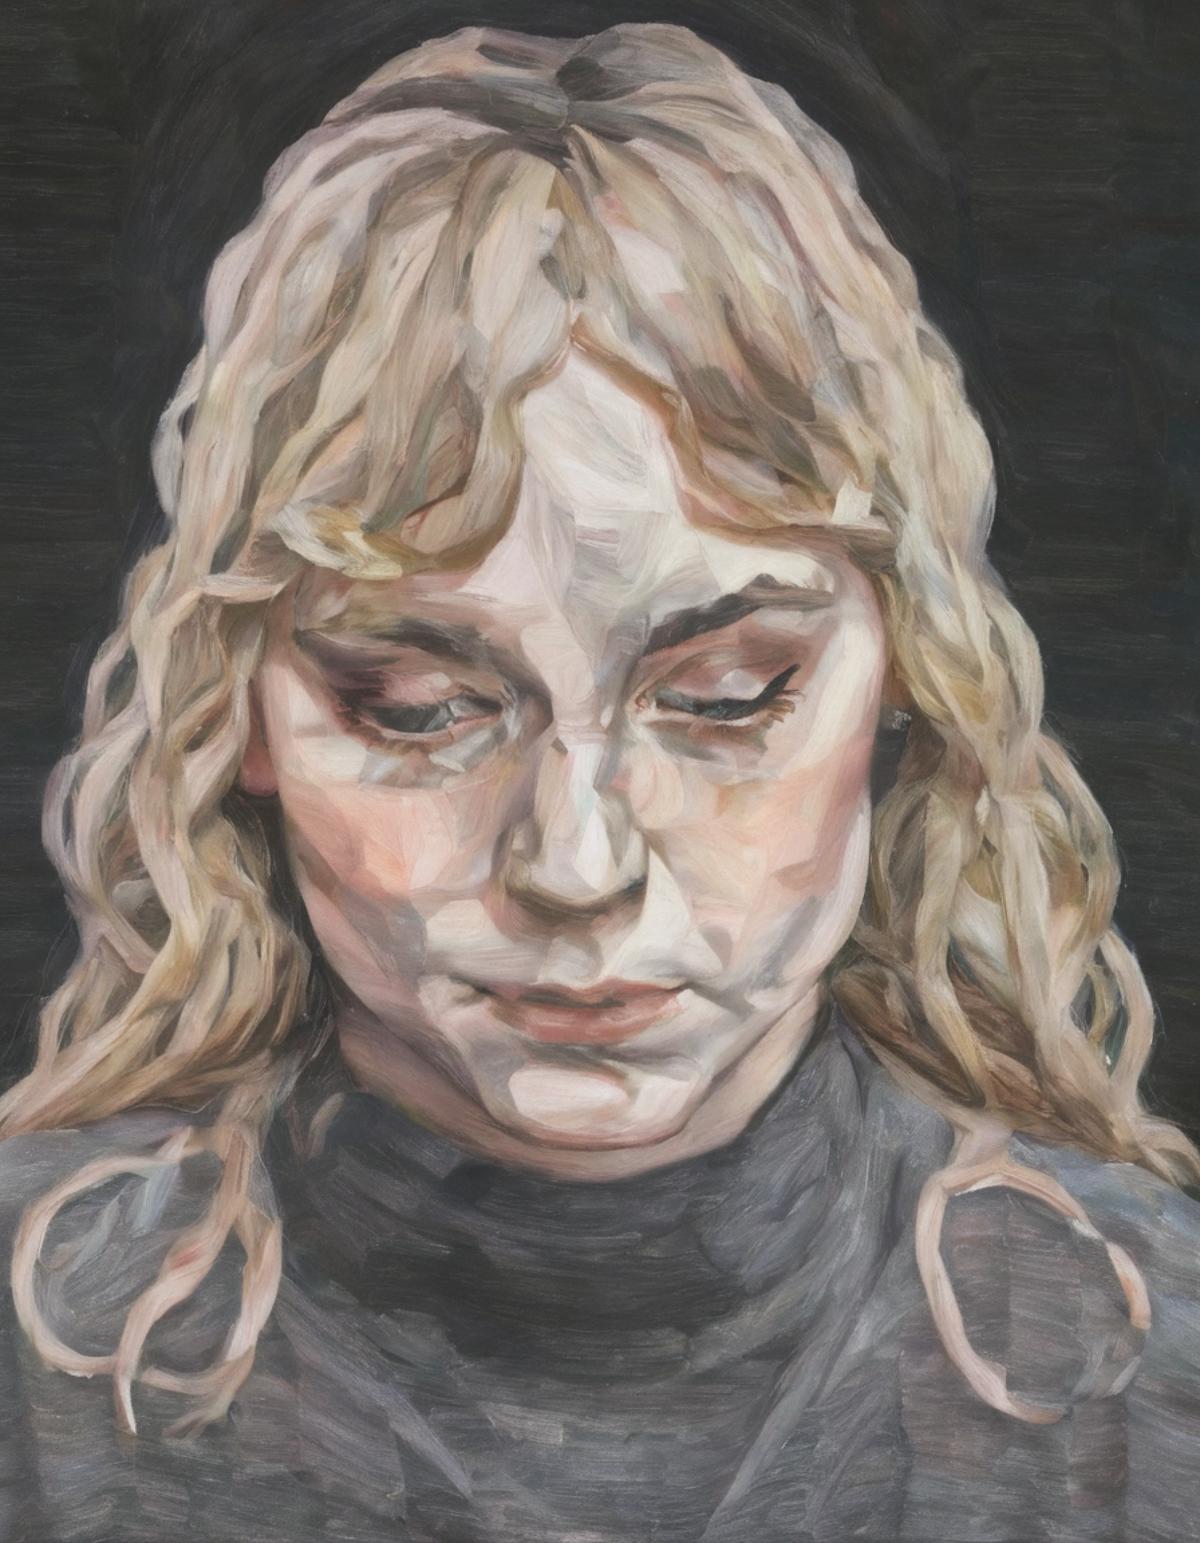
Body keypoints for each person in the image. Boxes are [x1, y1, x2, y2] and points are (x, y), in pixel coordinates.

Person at [0, 21, 1197, 1543]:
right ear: (237, 714)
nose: (577, 866)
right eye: (420, 709)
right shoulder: (32, 1358)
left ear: (910, 677)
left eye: (725, 699)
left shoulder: (1146, 1365)